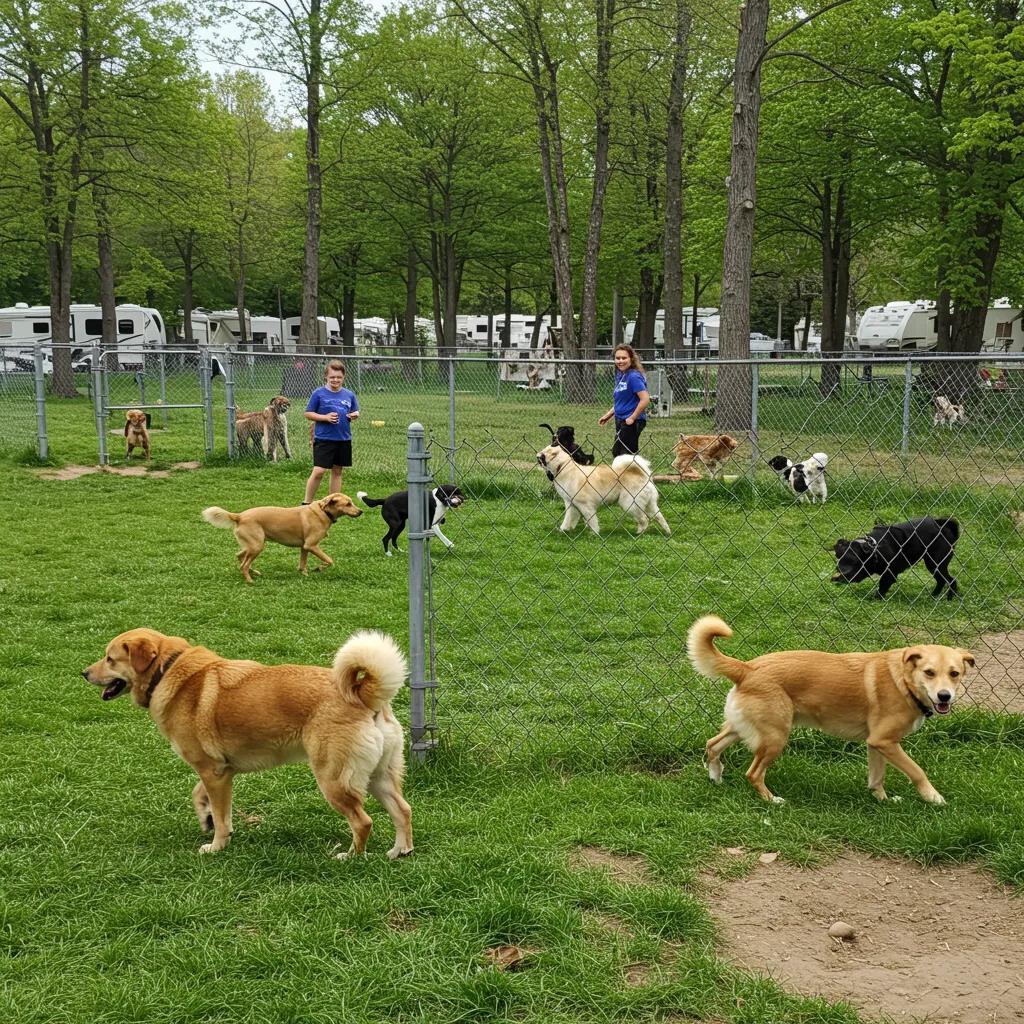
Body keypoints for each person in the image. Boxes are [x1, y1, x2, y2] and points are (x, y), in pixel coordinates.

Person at [303, 360, 359, 504]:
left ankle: (333, 503)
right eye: (332, 377)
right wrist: (325, 417)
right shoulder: (319, 393)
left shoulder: (349, 395)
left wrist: (354, 415)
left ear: (343, 377)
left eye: (339, 377)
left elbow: (355, 411)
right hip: (324, 438)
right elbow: (308, 413)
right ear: (326, 377)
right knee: (319, 471)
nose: (335, 380)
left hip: (343, 439)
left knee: (337, 471)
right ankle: (306, 503)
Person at [598, 344, 650, 456]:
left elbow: (645, 399)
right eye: (617, 358)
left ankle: (634, 472)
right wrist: (608, 415)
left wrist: (632, 417)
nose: (620, 361)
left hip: (632, 420)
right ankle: (630, 472)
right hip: (620, 419)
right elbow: (621, 401)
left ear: (631, 359)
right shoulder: (621, 375)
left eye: (624, 358)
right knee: (621, 453)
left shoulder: (633, 377)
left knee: (623, 453)